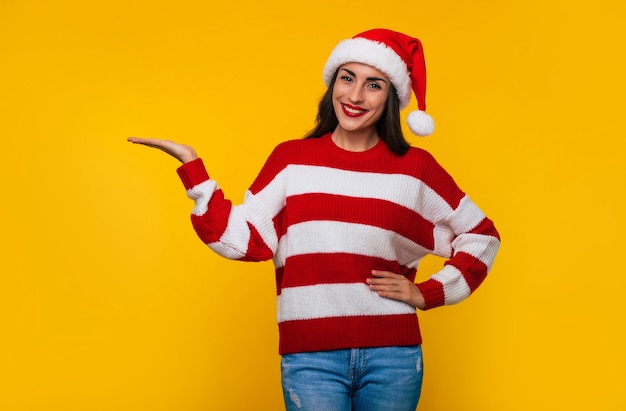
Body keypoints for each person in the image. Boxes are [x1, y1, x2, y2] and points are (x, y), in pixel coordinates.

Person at [128, 28, 500, 411]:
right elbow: (242, 239)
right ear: (332, 83)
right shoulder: (291, 160)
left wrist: (427, 292)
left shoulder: (415, 169)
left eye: (373, 84)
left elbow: (482, 237)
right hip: (310, 359)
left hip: (394, 356)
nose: (355, 96)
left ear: (391, 97)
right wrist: (194, 169)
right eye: (347, 78)